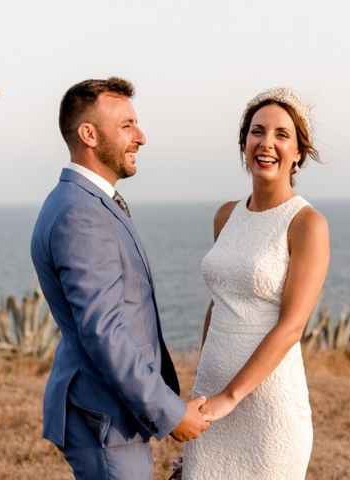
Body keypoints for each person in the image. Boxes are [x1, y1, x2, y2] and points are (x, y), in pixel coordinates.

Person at [31, 77, 210, 479]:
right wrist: (170, 412)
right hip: (102, 417)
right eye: (127, 125)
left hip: (109, 411)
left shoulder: (86, 201)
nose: (141, 136)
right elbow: (103, 330)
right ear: (89, 134)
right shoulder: (81, 214)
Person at [181, 87, 330, 479]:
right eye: (257, 132)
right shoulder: (225, 215)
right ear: (244, 142)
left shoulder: (307, 224)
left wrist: (230, 398)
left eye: (282, 135)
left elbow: (292, 325)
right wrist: (203, 388)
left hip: (267, 407)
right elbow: (219, 304)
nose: (267, 143)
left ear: (299, 152)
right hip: (211, 394)